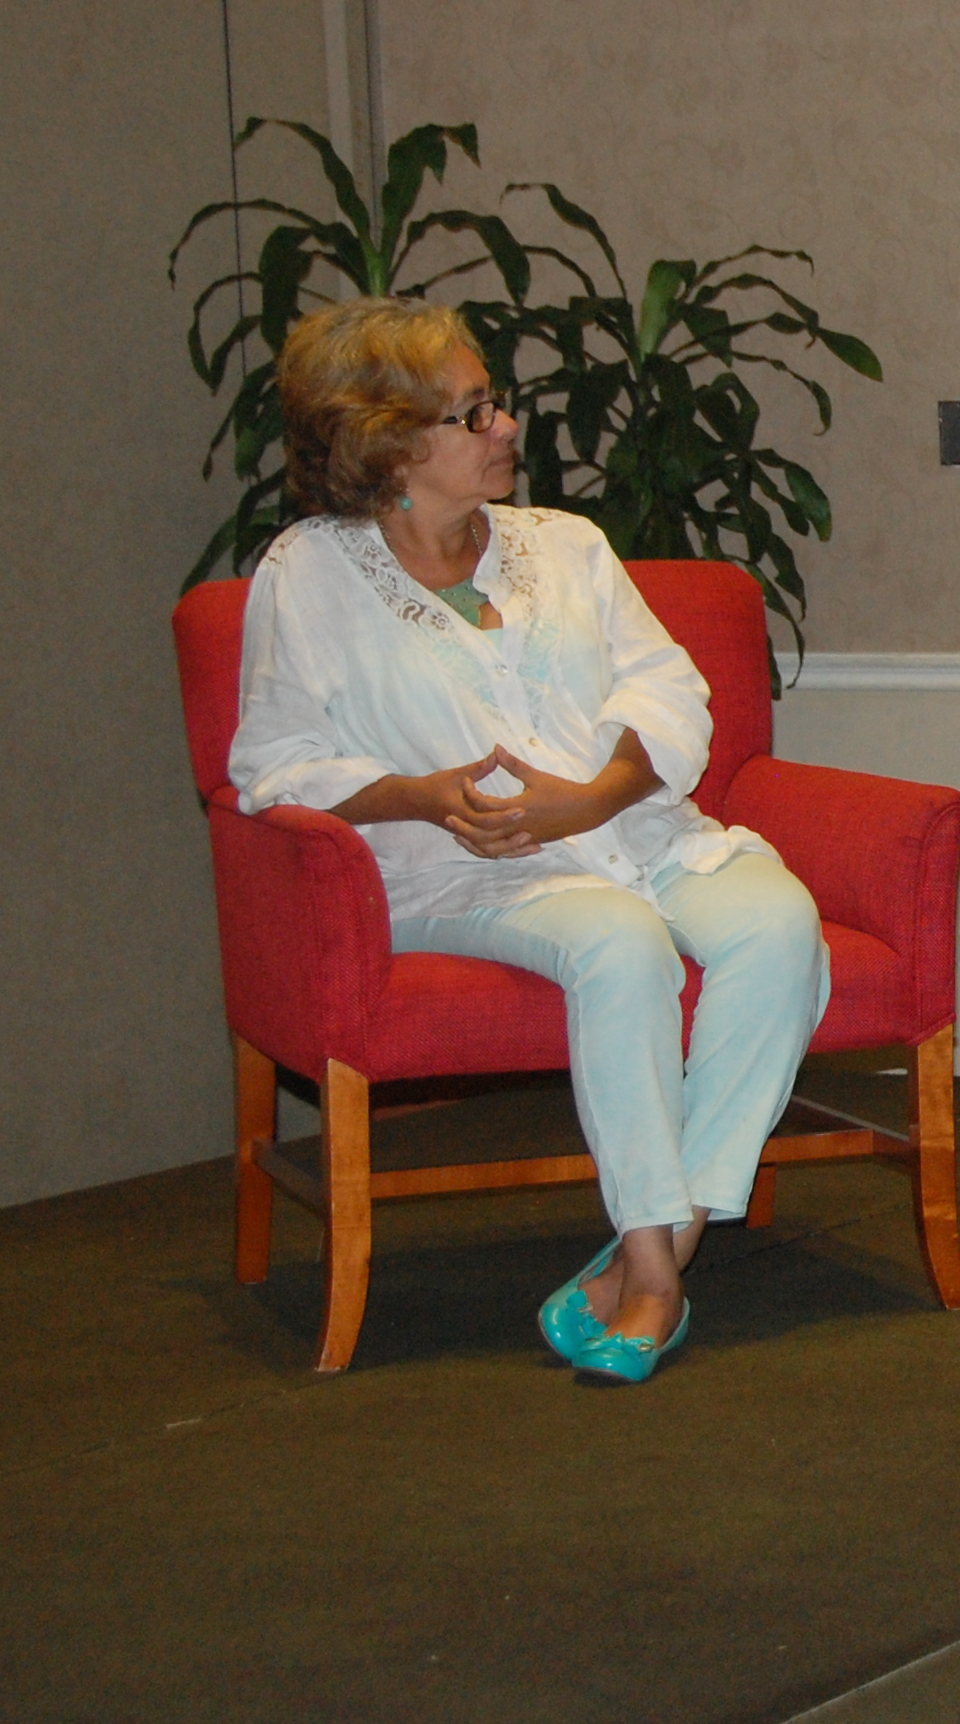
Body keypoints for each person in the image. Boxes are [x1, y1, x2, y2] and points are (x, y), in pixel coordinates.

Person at [227, 297, 829, 1387]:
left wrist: (594, 797)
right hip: (464, 868)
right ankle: (654, 1274)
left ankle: (664, 1235)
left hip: (632, 829)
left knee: (780, 925)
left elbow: (669, 690)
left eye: (495, 401)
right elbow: (272, 759)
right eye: (473, 413)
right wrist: (418, 794)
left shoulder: (568, 545)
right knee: (619, 944)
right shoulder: (307, 574)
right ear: (387, 443)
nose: (507, 425)